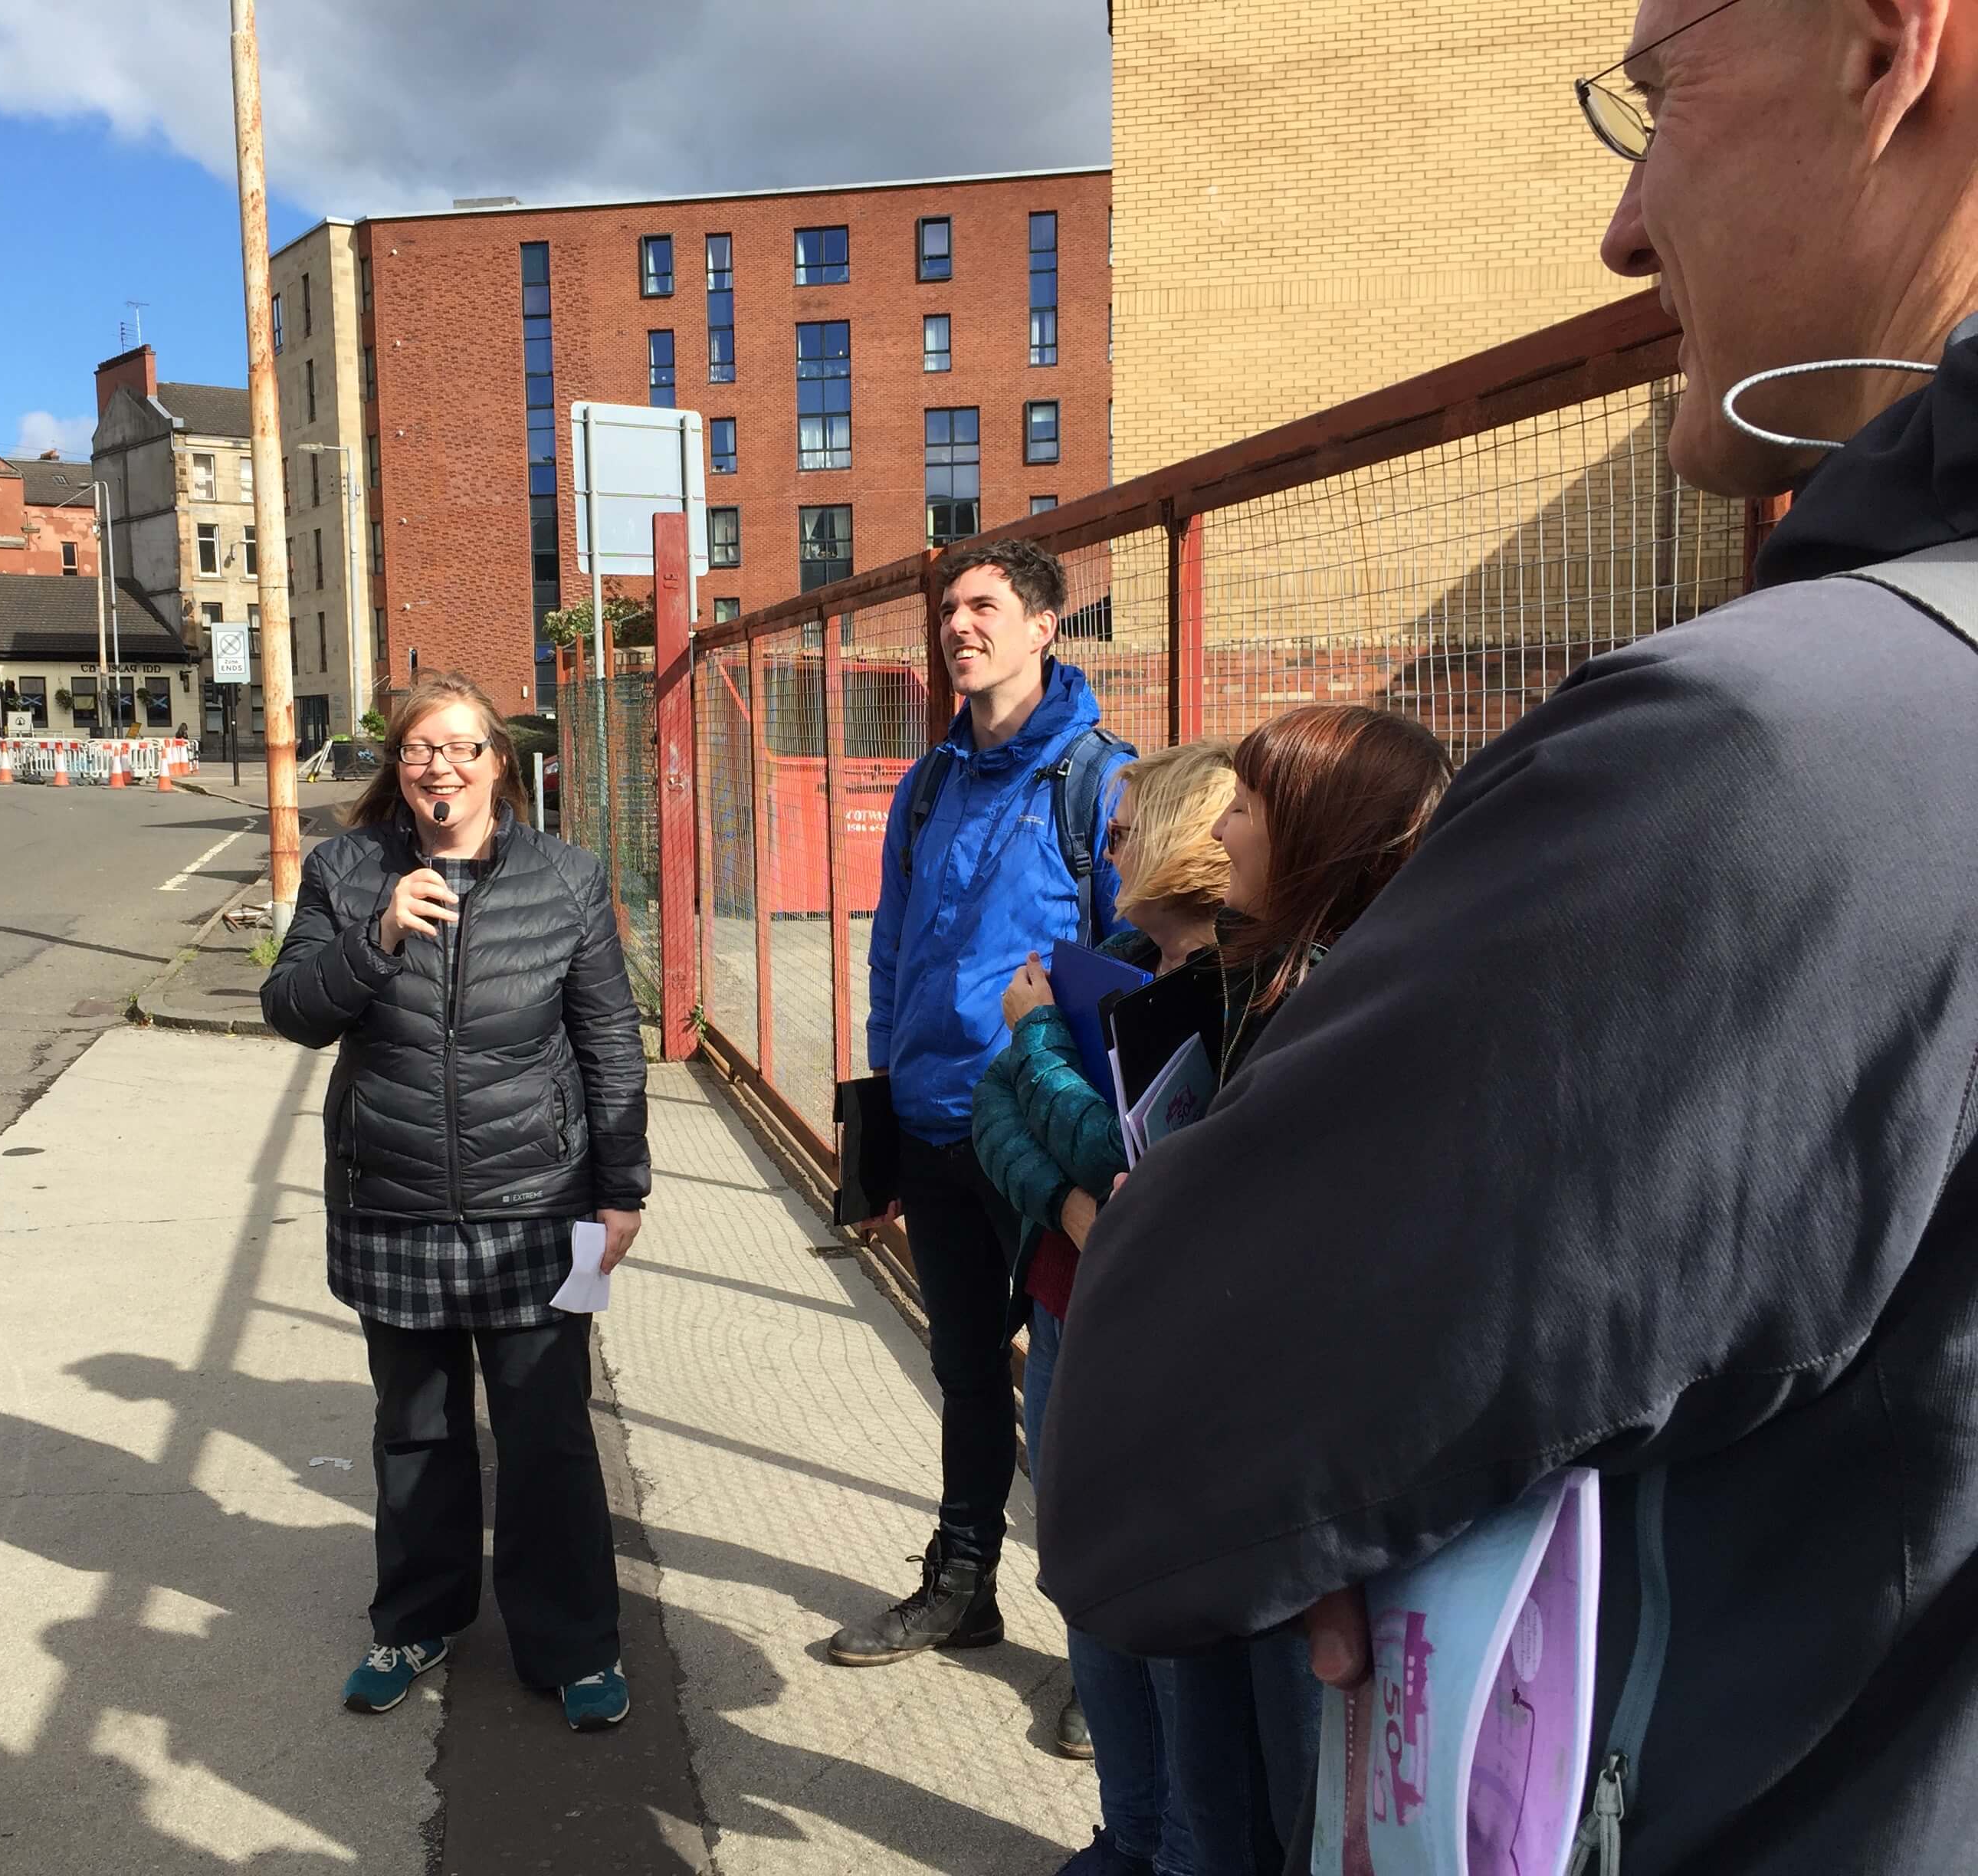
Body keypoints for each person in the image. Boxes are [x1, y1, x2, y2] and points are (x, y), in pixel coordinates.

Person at [1040, 2, 1978, 1870]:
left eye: (1659, 92)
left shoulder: (1774, 762)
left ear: (1890, 50)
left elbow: (1162, 1452)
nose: (1625, 229)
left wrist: (1427, 1507)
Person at [259, 671, 650, 1733]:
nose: (442, 767)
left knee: (549, 1437)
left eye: (463, 748)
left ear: (498, 766)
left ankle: (572, 1645)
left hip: (539, 1203)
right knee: (417, 1430)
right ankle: (417, 1620)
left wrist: (622, 1189)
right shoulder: (348, 871)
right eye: (421, 749)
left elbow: (609, 1041)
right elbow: (291, 1010)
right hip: (394, 1198)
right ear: (400, 767)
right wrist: (375, 938)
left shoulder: (565, 878)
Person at [829, 537, 1132, 1714]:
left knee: (1084, 1394)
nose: (961, 626)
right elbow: (895, 948)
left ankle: (1108, 1656)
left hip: (1049, 1144)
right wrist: (887, 1092)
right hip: (934, 1123)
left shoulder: (1098, 780)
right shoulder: (929, 783)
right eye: (949, 609)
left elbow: (1130, 970)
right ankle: (964, 1582)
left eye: (985, 607)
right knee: (965, 1371)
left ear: (1045, 625)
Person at [973, 739, 1238, 1876]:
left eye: (1131, 822)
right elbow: (997, 1120)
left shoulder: (1232, 993)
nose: (1110, 840)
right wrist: (1081, 1215)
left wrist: (1036, 1041)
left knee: (1163, 1607)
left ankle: (1179, 1849)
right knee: (1081, 1580)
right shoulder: (1106, 961)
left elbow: (1121, 1145)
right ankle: (1125, 1836)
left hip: (1167, 1345)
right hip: (1073, 1305)